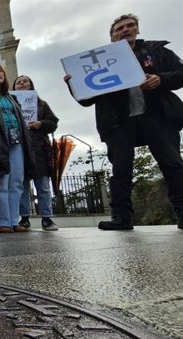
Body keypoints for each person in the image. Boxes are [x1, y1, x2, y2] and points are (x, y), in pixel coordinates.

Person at [64, 14, 183, 230]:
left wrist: (161, 79)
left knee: (172, 164)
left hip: (157, 116)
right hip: (118, 122)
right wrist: (74, 85)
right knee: (121, 169)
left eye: (130, 26)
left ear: (137, 30)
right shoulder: (97, 62)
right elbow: (86, 101)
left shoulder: (157, 51)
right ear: (112, 37)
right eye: (119, 28)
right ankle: (121, 217)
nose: (125, 30)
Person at [0, 64, 35, 233]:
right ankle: (2, 221)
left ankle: (14, 220)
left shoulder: (12, 98)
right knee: (1, 182)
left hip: (17, 142)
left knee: (17, 182)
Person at [12, 75, 59, 231]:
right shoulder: (10, 104)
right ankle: (24, 218)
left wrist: (41, 123)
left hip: (39, 149)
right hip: (20, 147)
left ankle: (47, 218)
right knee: (22, 186)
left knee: (43, 187)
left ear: (31, 85)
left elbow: (53, 123)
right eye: (19, 82)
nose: (22, 83)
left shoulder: (42, 104)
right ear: (14, 87)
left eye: (25, 81)